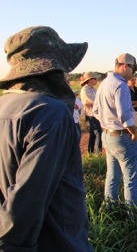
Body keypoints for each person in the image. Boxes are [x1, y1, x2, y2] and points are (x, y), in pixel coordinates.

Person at [0, 26, 93, 250]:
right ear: (52, 70)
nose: (67, 75)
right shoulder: (51, 111)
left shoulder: (4, 106)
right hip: (56, 240)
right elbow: (26, 203)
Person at [93, 53, 137, 211]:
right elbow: (124, 115)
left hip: (108, 135)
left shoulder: (104, 83)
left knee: (112, 176)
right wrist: (134, 132)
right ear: (125, 65)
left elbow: (95, 110)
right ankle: (133, 217)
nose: (133, 73)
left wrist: (107, 122)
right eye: (133, 69)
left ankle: (110, 209)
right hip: (122, 137)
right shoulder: (121, 85)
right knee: (131, 179)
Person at [81, 71, 102, 153]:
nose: (96, 80)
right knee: (98, 133)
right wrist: (93, 103)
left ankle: (90, 153)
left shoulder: (93, 89)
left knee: (93, 134)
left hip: (94, 113)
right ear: (90, 79)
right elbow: (95, 102)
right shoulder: (85, 90)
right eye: (94, 78)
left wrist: (92, 103)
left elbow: (95, 102)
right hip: (91, 114)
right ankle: (98, 153)